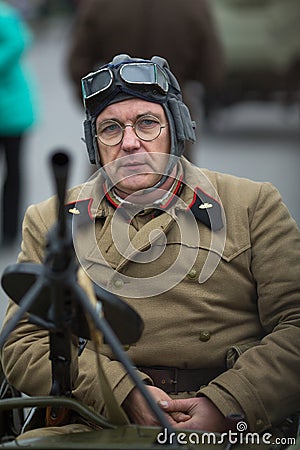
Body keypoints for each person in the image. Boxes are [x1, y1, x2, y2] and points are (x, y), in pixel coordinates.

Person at [1, 54, 299, 441]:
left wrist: (227, 403)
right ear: (95, 145)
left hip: (236, 423)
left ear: (174, 130)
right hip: (97, 419)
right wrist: (124, 392)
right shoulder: (53, 219)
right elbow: (23, 344)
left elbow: (295, 323)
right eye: (110, 129)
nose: (129, 143)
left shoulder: (249, 203)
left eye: (147, 123)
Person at [66, 0, 225, 162]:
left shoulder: (99, 4)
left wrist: (100, 105)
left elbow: (78, 64)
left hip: (114, 116)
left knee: (109, 180)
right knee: (178, 179)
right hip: (171, 116)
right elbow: (212, 70)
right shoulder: (192, 5)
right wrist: (176, 85)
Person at [0, 0, 37, 247]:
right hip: (11, 109)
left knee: (13, 172)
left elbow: (19, 42)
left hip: (11, 112)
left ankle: (10, 231)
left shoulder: (4, 16)